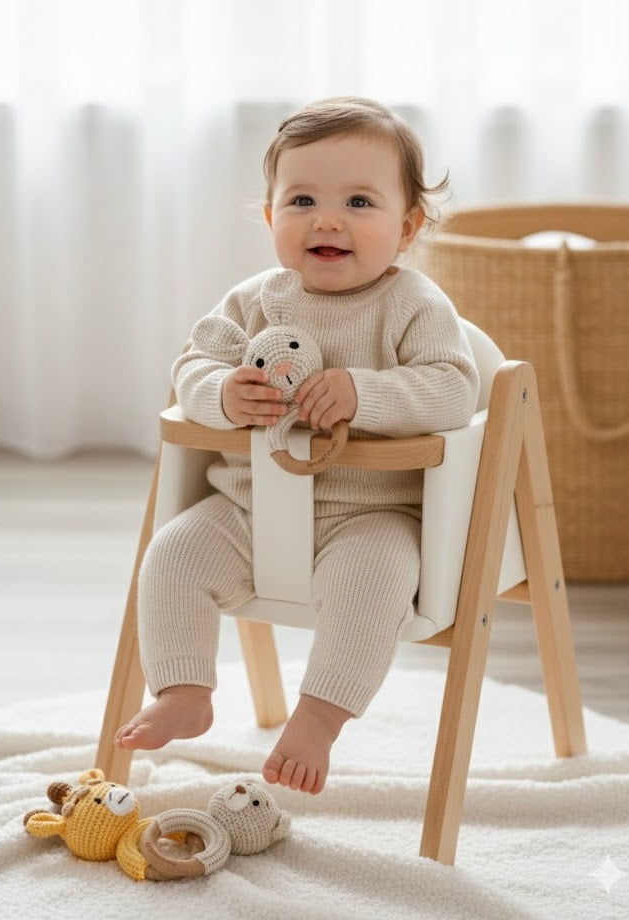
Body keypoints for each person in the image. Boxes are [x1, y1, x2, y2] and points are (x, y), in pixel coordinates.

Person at [115, 97, 479, 795]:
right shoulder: (253, 300)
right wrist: (221, 394)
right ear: (270, 216)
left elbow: (454, 390)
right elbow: (191, 365)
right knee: (172, 555)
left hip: (370, 517)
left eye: (359, 202)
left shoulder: (414, 306)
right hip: (247, 508)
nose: (327, 219)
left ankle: (318, 718)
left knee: (372, 585)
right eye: (302, 198)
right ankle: (184, 688)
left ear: (406, 228)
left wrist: (363, 392)